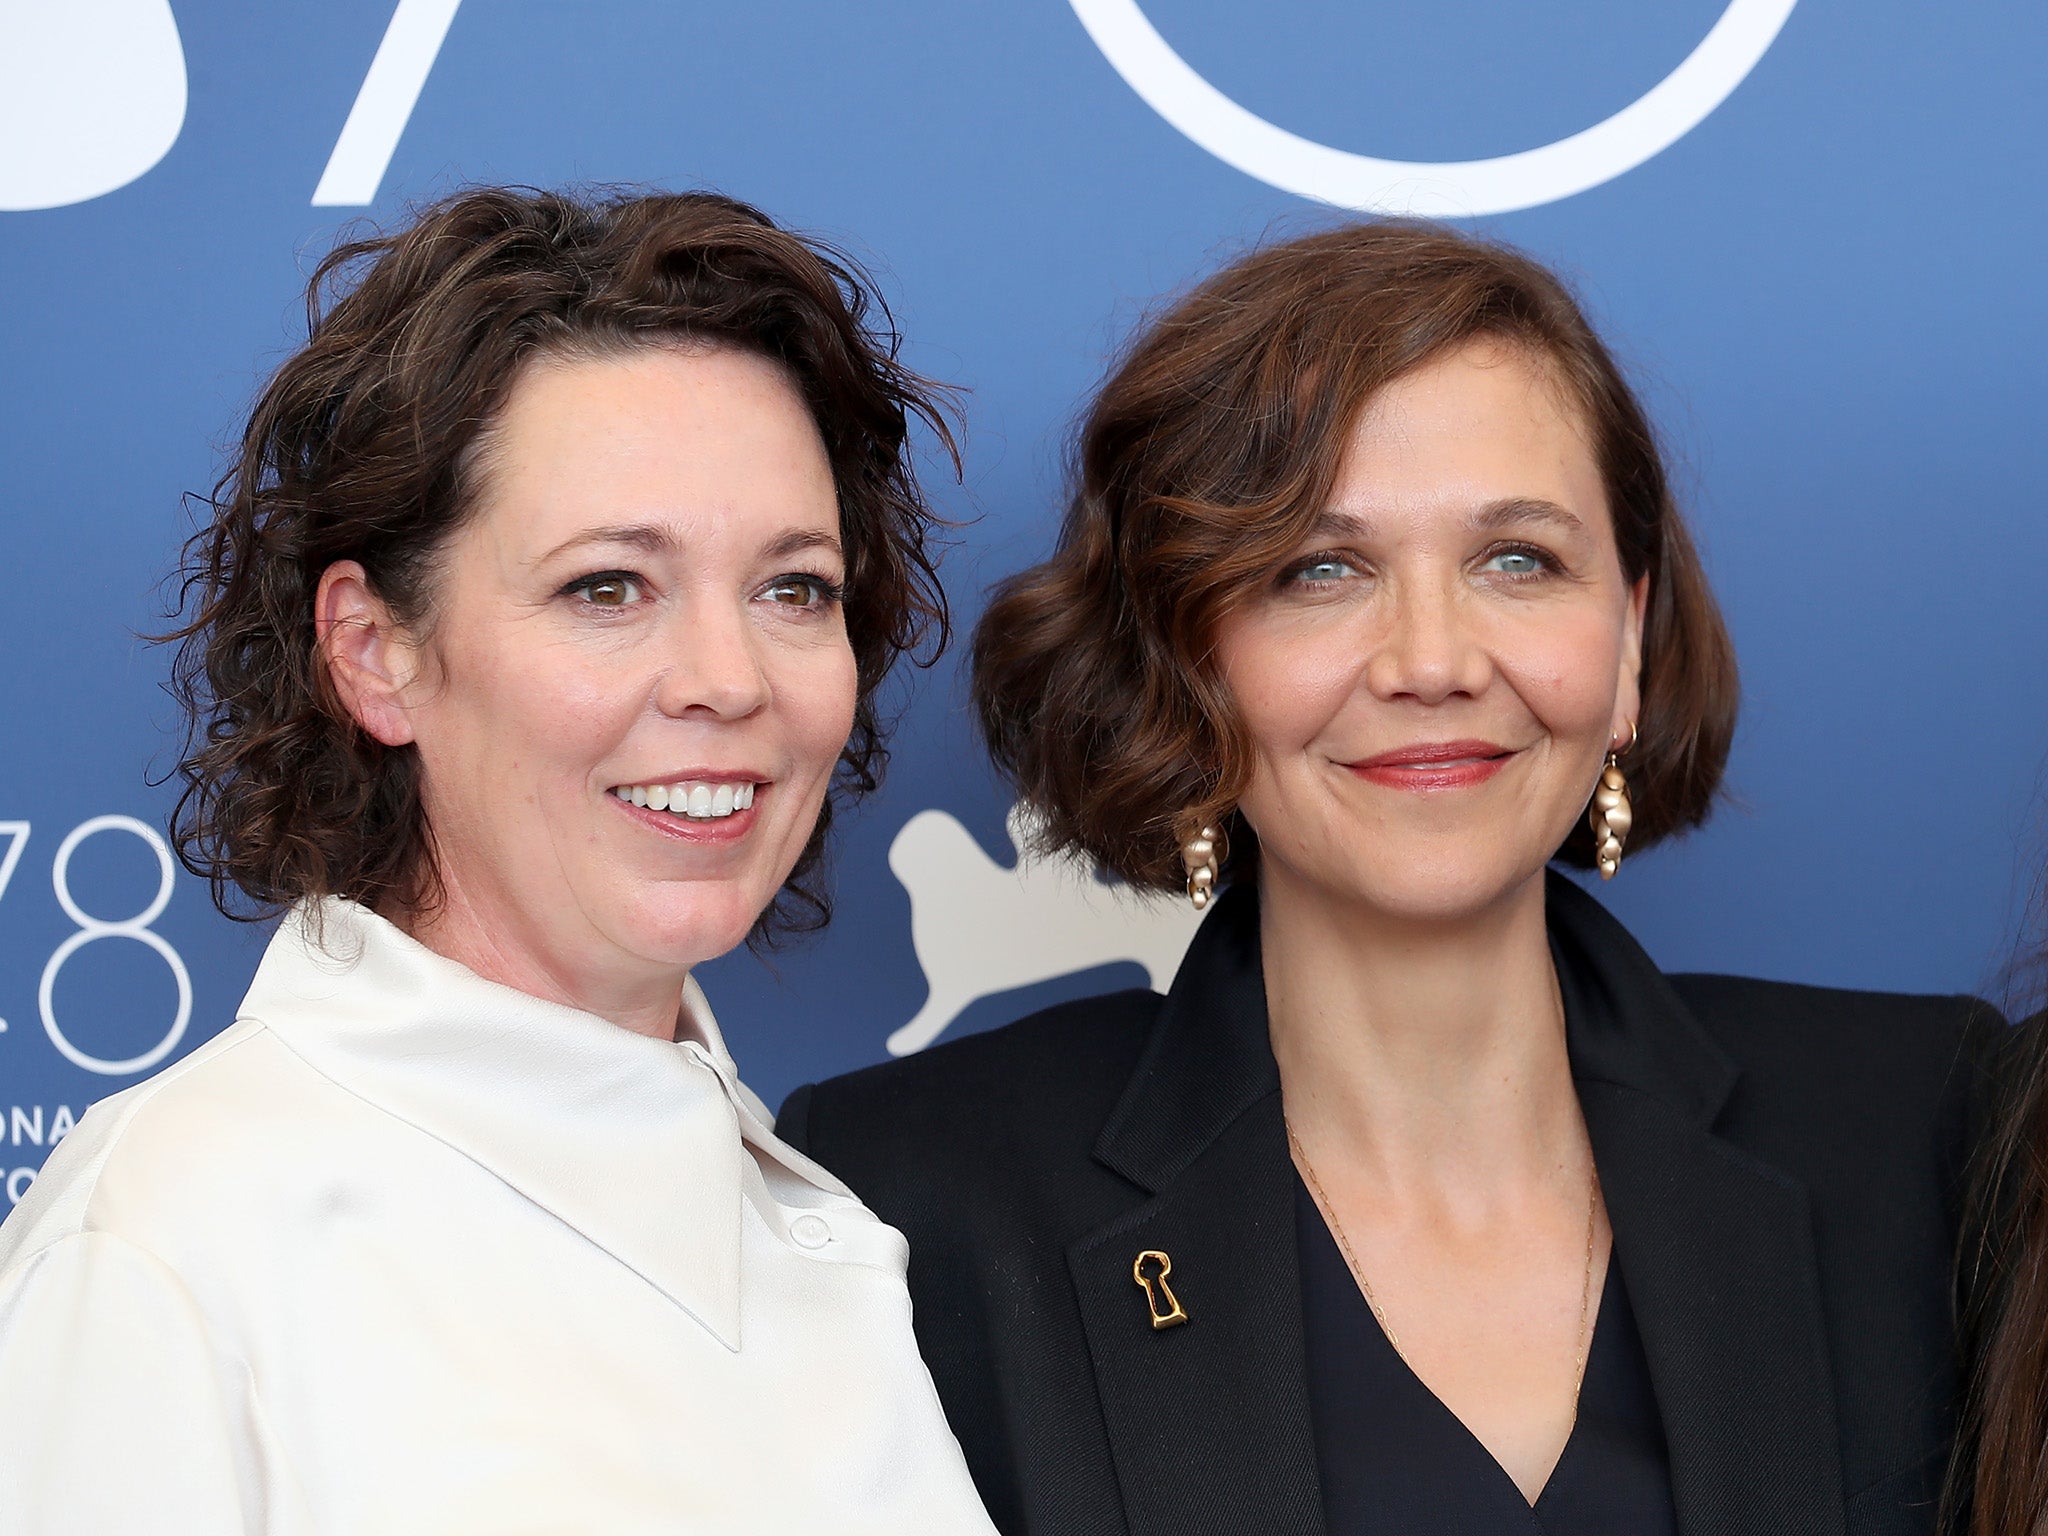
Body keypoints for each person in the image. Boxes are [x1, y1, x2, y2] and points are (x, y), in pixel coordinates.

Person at [777, 222, 2002, 1536]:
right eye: (1321, 569)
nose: (1433, 658)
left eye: (1517, 559)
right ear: (1188, 660)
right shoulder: (914, 1198)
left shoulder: (1938, 1133)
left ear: (1632, 640)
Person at [0, 187, 998, 1535]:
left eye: (793, 588)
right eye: (607, 587)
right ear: (375, 651)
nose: (728, 680)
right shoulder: (175, 1240)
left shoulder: (792, 1217)